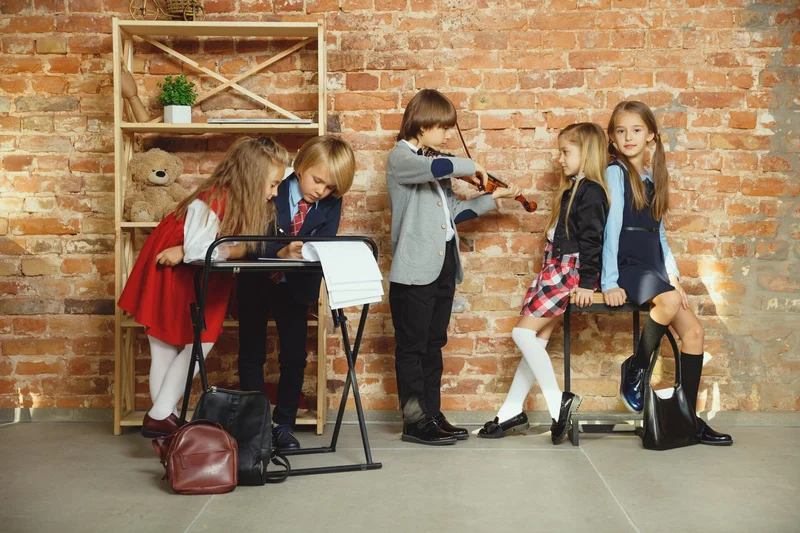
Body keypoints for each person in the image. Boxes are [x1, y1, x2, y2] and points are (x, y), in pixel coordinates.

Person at [118, 137, 289, 438]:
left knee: (172, 349)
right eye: (273, 184)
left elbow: (207, 249)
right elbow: (200, 250)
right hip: (177, 273)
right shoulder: (214, 200)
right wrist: (230, 251)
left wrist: (227, 250)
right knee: (187, 345)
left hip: (190, 272)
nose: (275, 192)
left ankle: (164, 422)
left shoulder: (230, 199)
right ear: (252, 178)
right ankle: (161, 417)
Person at [387, 88, 521, 445]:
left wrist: (492, 197)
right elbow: (439, 166)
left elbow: (453, 214)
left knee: (433, 344)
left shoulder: (434, 164)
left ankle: (431, 414)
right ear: (423, 124)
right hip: (414, 270)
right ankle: (414, 421)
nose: (447, 134)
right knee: (412, 348)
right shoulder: (402, 159)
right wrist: (472, 167)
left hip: (443, 264)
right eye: (443, 127)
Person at [602, 100, 732, 445]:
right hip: (627, 264)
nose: (628, 137)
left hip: (653, 265)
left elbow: (659, 234)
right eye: (621, 131)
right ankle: (637, 366)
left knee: (695, 333)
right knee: (670, 301)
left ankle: (688, 420)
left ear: (651, 137)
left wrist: (673, 277)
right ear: (612, 138)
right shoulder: (615, 172)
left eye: (636, 130)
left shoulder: (653, 176)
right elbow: (610, 230)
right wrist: (609, 281)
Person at [478, 122, 610, 444]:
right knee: (535, 341)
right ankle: (510, 411)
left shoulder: (591, 192)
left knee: (522, 333)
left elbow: (592, 241)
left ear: (586, 153)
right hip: (554, 268)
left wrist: (586, 283)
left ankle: (557, 403)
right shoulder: (572, 189)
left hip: (568, 272)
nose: (559, 159)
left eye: (566, 152)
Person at [237, 135, 356, 451]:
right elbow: (245, 240)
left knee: (293, 357)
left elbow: (325, 242)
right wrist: (279, 252)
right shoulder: (271, 185)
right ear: (301, 165)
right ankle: (256, 426)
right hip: (256, 280)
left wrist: (308, 253)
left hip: (297, 285)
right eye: (318, 181)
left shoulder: (331, 202)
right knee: (252, 352)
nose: (321, 191)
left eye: (330, 188)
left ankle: (284, 424)